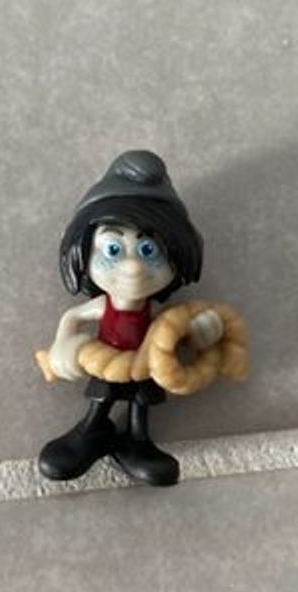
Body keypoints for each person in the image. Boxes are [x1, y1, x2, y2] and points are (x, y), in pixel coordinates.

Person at [37, 149, 224, 487]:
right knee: (102, 396)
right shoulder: (102, 305)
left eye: (148, 250)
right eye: (113, 249)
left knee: (142, 401)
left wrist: (199, 332)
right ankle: (91, 431)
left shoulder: (155, 313)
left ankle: (138, 442)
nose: (133, 267)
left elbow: (176, 326)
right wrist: (63, 344)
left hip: (145, 365)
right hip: (104, 361)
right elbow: (73, 317)